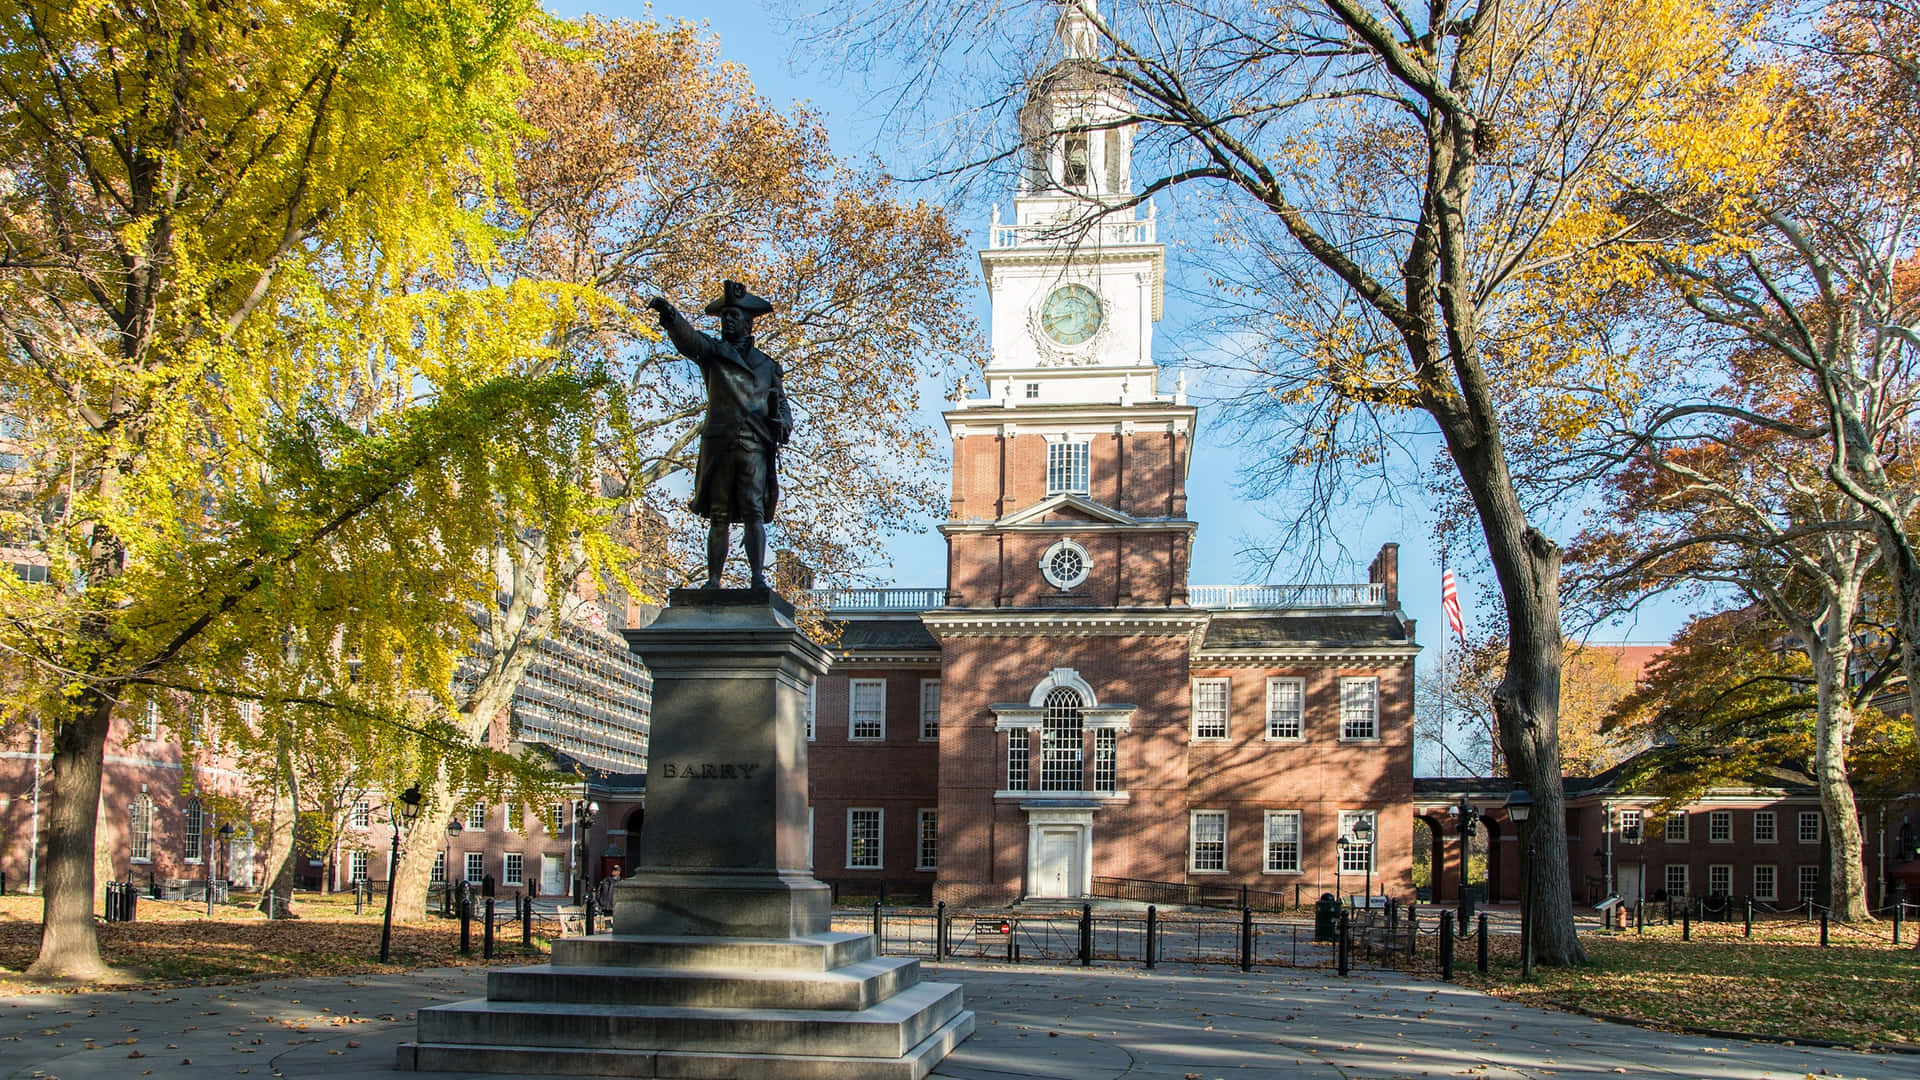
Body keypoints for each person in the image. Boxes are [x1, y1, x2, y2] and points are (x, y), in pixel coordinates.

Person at [647, 280, 792, 589]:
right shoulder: (713, 352)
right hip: (721, 443)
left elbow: (780, 403)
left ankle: (757, 579)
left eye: (733, 315)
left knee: (754, 511)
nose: (727, 319)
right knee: (719, 514)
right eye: (725, 314)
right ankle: (713, 580)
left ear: (747, 323)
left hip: (754, 443)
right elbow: (690, 341)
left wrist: (784, 424)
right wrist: (671, 316)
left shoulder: (767, 366)